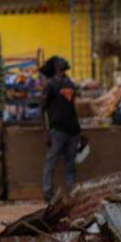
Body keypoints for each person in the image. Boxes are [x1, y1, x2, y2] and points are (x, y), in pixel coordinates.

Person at [40, 55, 79, 203]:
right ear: (56, 66)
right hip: (57, 130)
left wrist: (79, 129)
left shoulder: (69, 83)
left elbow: (72, 107)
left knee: (71, 164)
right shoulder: (50, 85)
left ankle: (72, 193)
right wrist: (45, 131)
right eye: (60, 60)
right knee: (51, 162)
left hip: (72, 129)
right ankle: (48, 192)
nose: (63, 61)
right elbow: (42, 108)